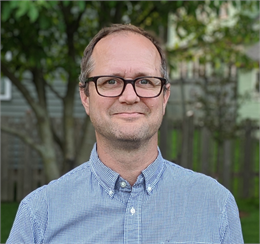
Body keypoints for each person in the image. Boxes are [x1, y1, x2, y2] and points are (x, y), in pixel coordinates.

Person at [7, 24, 244, 244]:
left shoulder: (216, 206)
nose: (130, 97)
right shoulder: (39, 215)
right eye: (110, 81)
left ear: (164, 96)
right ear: (85, 97)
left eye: (144, 81)